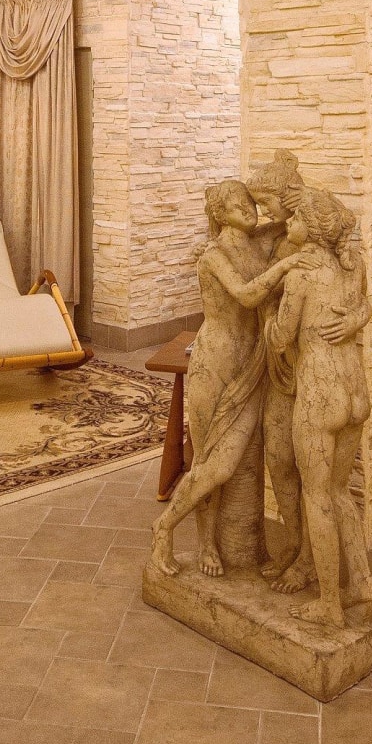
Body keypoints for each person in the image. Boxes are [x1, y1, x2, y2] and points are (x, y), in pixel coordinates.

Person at [147, 180, 294, 577]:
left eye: (249, 201)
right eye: (235, 205)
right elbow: (246, 295)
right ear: (219, 214)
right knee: (213, 462)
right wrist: (286, 266)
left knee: (226, 461)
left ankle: (198, 537)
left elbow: (292, 220)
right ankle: (179, 534)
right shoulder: (214, 255)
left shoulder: (259, 243)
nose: (248, 209)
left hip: (251, 364)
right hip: (215, 364)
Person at [263, 187, 372, 627]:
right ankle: (361, 583)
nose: (288, 222)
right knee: (339, 491)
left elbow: (280, 338)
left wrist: (269, 316)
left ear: (310, 229)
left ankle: (329, 602)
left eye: (295, 219)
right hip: (355, 391)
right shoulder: (353, 265)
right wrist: (356, 319)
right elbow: (364, 305)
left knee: (317, 497)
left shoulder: (302, 275)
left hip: (320, 396)